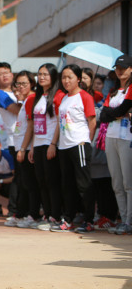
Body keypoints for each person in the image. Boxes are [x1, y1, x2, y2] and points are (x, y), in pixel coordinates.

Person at [50, 64, 96, 233]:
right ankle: (68, 219)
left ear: (78, 78)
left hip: (79, 144)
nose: (66, 80)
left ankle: (89, 220)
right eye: (63, 77)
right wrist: (53, 144)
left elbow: (92, 122)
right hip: (64, 146)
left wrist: (86, 141)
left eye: (70, 77)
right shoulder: (63, 98)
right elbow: (58, 123)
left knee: (83, 184)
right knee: (67, 185)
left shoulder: (85, 97)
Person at [28, 63, 66, 231]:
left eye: (45, 74)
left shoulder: (58, 95)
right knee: (41, 181)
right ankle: (47, 214)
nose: (42, 77)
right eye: (40, 74)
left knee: (52, 181)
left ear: (53, 77)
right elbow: (36, 123)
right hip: (39, 144)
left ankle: (56, 216)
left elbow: (59, 122)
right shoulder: (38, 96)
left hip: (51, 143)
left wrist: (53, 144)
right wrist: (32, 147)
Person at [100, 55, 132, 235]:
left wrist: (118, 113)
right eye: (117, 68)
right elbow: (104, 116)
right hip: (111, 137)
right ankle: (124, 218)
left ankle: (129, 220)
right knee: (117, 183)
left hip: (127, 138)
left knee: (129, 182)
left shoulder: (131, 88)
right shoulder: (113, 91)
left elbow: (120, 110)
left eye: (124, 67)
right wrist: (120, 114)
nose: (119, 71)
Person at [0, 62, 21, 221]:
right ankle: (14, 210)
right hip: (14, 139)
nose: (5, 75)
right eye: (1, 73)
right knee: (19, 176)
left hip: (25, 138)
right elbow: (17, 110)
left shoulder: (16, 91)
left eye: (7, 72)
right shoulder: (0, 94)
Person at [12, 70, 41, 228]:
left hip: (27, 148)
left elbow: (31, 126)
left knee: (30, 183)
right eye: (18, 84)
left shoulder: (31, 99)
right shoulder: (24, 102)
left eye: (24, 84)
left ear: (32, 84)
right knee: (24, 183)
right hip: (21, 147)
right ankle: (24, 213)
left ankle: (33, 214)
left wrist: (25, 148)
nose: (20, 87)